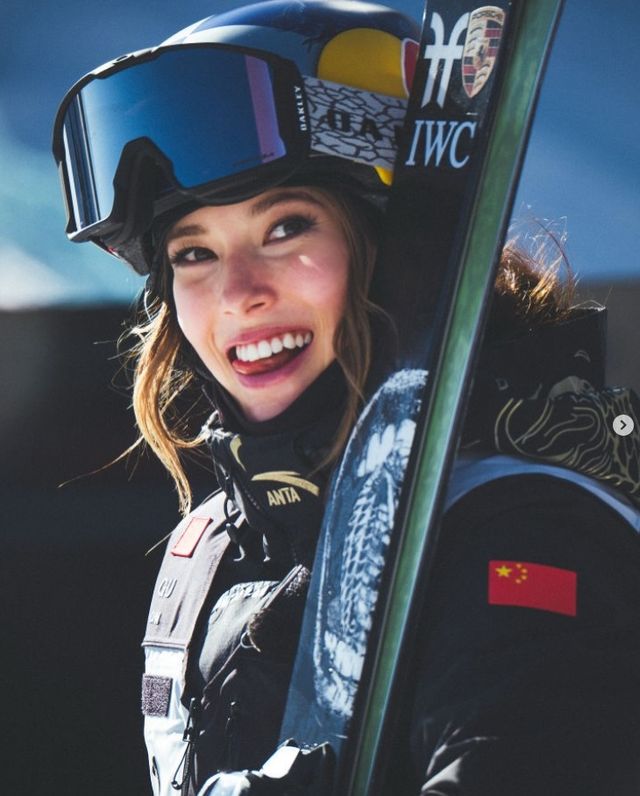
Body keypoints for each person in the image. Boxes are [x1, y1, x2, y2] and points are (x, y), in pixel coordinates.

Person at [52, 2, 640, 794]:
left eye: (286, 228)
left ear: (398, 253)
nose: (238, 293)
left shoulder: (523, 528)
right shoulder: (211, 545)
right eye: (193, 252)